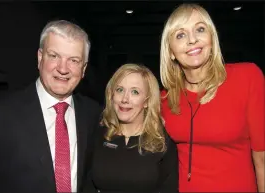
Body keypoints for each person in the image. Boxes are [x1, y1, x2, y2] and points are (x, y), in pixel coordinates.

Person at [160, 3, 264, 192]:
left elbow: (262, 158)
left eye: (200, 29)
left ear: (212, 39)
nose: (192, 40)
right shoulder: (165, 99)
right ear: (171, 52)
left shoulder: (247, 78)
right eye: (180, 34)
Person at [0, 20, 101, 193]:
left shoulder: (92, 114)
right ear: (40, 57)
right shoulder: (1, 113)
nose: (63, 68)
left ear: (83, 69)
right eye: (54, 56)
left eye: (73, 60)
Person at [85, 64, 179, 193]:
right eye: (119, 90)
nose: (125, 99)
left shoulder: (162, 143)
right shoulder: (96, 134)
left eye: (135, 92)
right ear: (111, 95)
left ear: (147, 101)